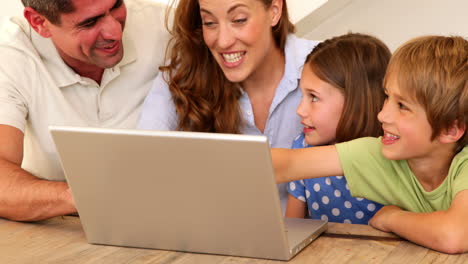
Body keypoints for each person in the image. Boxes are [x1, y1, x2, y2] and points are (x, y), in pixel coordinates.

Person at [272, 35, 468, 253]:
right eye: (387, 97)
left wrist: (391, 218)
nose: (382, 115)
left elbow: (454, 236)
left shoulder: (465, 165)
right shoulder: (377, 154)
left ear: (450, 129)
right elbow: (287, 164)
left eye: (402, 106)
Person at [138, 0, 319, 209]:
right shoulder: (181, 79)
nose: (223, 41)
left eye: (239, 20)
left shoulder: (329, 66)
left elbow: (362, 158)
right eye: (209, 23)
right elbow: (142, 164)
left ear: (274, 11)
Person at [0, 0, 170, 221]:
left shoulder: (168, 27)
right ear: (39, 22)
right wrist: (86, 197)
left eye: (117, 5)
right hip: (60, 232)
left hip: (162, 219)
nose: (115, 32)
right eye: (90, 22)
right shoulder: (10, 55)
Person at [286, 33, 391, 224]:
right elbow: (291, 229)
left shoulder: (392, 154)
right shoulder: (302, 147)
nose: (300, 110)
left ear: (356, 102)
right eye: (303, 96)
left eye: (314, 97)